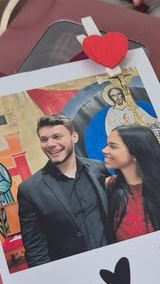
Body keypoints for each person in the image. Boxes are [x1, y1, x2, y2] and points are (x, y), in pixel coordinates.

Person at [17, 114, 111, 267]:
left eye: (57, 137)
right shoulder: (29, 190)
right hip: (72, 271)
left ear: (74, 137)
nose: (50, 144)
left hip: (111, 260)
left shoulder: (98, 169)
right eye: (44, 139)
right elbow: (35, 249)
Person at [102, 124, 160, 242]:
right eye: (107, 145)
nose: (104, 150)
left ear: (135, 152)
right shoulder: (109, 185)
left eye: (113, 147)